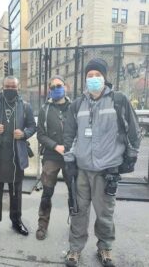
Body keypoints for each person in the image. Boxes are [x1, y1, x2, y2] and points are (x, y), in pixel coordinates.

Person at [63, 58, 141, 267]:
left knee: (105, 213)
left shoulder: (119, 100)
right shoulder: (77, 104)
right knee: (78, 212)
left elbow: (134, 131)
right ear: (85, 79)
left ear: (105, 77)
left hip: (107, 170)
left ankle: (105, 248)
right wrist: (70, 161)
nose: (94, 79)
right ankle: (75, 249)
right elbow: (69, 135)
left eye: (98, 75)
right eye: (90, 76)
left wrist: (131, 156)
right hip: (81, 170)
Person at [0, 76, 36, 239]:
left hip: (16, 158)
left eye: (13, 87)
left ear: (18, 88)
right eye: (8, 86)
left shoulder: (25, 106)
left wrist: (24, 134)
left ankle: (16, 221)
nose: (10, 89)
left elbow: (32, 126)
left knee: (16, 194)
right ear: (2, 87)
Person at [36, 75, 71, 240]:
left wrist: (69, 147)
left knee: (74, 192)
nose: (56, 89)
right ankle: (42, 225)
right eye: (53, 87)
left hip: (71, 156)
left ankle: (75, 226)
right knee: (47, 192)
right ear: (49, 90)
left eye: (59, 85)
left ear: (66, 87)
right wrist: (56, 146)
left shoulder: (75, 107)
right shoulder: (45, 109)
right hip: (51, 155)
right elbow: (41, 135)